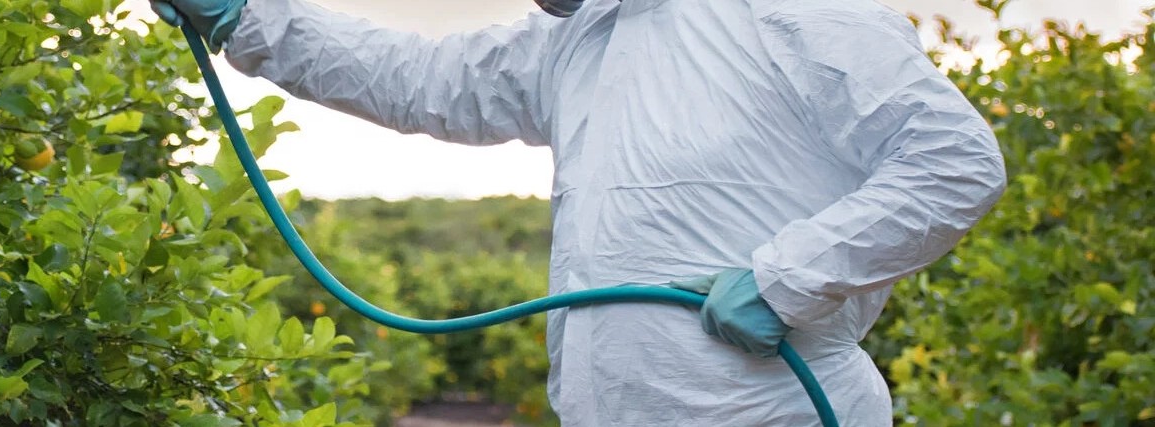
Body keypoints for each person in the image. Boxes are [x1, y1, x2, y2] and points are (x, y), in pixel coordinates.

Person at [152, 0, 1007, 425]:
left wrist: (787, 279)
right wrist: (248, 18)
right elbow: (420, 78)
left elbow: (953, 162)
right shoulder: (586, 38)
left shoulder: (800, 11)